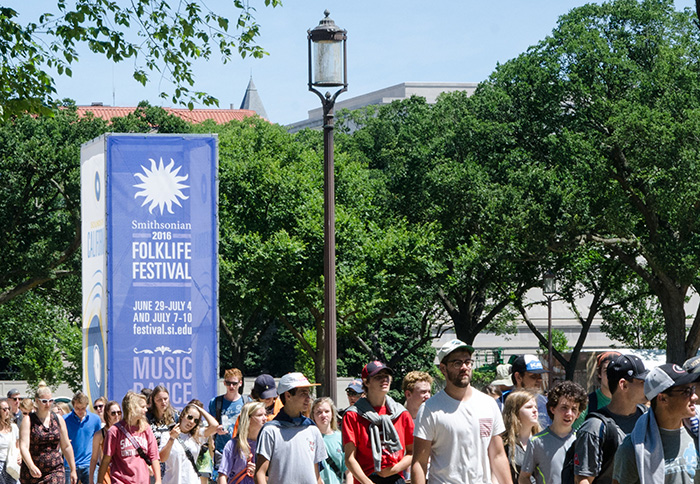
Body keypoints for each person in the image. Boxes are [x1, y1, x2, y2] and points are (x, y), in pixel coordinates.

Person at [411, 339, 511, 484]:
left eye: (468, 362)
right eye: (457, 363)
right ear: (443, 369)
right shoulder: (430, 409)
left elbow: (498, 455)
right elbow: (419, 463)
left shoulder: (488, 404)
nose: (464, 367)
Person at [612, 364, 700, 484]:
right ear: (663, 399)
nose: (694, 397)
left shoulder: (696, 432)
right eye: (686, 392)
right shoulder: (633, 448)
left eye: (693, 389)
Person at [573, 354, 648, 484]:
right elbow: (583, 480)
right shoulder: (594, 427)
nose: (647, 386)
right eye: (642, 382)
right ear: (623, 385)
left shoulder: (648, 416)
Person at [343, 361, 413, 484]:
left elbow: (413, 452)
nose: (384, 380)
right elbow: (349, 459)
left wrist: (395, 469)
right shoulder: (353, 415)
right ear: (366, 382)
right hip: (366, 479)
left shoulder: (401, 413)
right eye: (378, 377)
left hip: (396, 477)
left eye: (386, 376)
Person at [254, 372, 326, 484]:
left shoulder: (312, 428)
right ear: (288, 395)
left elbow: (317, 477)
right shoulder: (270, 431)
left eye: (309, 393)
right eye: (303, 393)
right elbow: (260, 473)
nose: (308, 398)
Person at [519, 381, 587, 484]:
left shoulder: (581, 440)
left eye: (574, 409)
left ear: (578, 414)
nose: (569, 414)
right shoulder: (536, 442)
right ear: (552, 409)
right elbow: (524, 478)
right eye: (564, 408)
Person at [19, 383, 77, 484]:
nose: (48, 404)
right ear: (37, 401)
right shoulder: (28, 420)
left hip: (55, 469)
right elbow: (23, 446)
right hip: (33, 472)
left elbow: (66, 446)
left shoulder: (57, 419)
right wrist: (31, 466)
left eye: (50, 401)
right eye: (44, 401)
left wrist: (73, 469)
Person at [98, 392, 161, 484]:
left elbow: (154, 457)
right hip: (120, 480)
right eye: (142, 407)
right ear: (133, 408)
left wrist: (158, 480)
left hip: (142, 481)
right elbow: (106, 459)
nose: (146, 410)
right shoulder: (114, 431)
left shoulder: (146, 429)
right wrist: (99, 482)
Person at [158, 403, 218, 484]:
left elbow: (215, 426)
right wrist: (171, 439)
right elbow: (162, 458)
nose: (191, 422)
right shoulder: (167, 435)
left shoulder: (197, 435)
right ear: (182, 416)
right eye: (190, 417)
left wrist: (199, 409)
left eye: (196, 420)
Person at [217, 402, 266, 484]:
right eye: (260, 415)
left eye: (265, 414)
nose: (265, 418)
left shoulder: (266, 444)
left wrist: (258, 474)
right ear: (248, 419)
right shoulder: (233, 445)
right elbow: (222, 476)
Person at [208, 369, 246, 468]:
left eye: (234, 383)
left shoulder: (246, 402)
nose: (231, 386)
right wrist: (216, 430)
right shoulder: (215, 402)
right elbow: (209, 428)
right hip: (222, 450)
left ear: (240, 383)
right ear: (224, 383)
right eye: (228, 383)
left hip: (241, 450)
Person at [502, 390, 541, 484]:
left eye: (535, 407)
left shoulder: (543, 440)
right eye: (529, 407)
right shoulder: (503, 444)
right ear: (515, 412)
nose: (535, 410)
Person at [574, 351, 621, 429]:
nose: (611, 376)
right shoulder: (586, 405)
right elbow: (575, 436)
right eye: (607, 371)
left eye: (615, 371)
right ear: (599, 374)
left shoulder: (633, 404)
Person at [63, 392, 102, 484]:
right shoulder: (64, 419)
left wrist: (100, 462)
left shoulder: (95, 420)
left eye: (83, 408)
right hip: (70, 464)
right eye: (77, 408)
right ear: (73, 406)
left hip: (89, 464)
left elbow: (98, 442)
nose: (80, 411)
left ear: (87, 406)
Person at [312, 398, 351, 484]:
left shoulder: (341, 437)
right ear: (313, 415)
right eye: (319, 412)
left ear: (332, 413)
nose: (323, 415)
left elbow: (348, 471)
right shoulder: (309, 438)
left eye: (327, 411)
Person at [508, 355, 551, 428]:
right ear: (518, 377)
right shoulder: (501, 404)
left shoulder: (546, 403)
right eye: (533, 376)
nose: (539, 380)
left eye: (540, 376)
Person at [89, 401, 121, 484]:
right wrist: (91, 478)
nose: (117, 416)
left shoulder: (125, 432)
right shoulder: (99, 434)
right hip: (106, 474)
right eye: (113, 413)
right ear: (107, 415)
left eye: (119, 412)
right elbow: (94, 459)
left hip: (122, 473)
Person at [0, 398, 19, 484]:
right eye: (4, 409)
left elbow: (18, 445)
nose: (7, 411)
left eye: (8, 408)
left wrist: (20, 456)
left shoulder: (13, 427)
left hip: (11, 464)